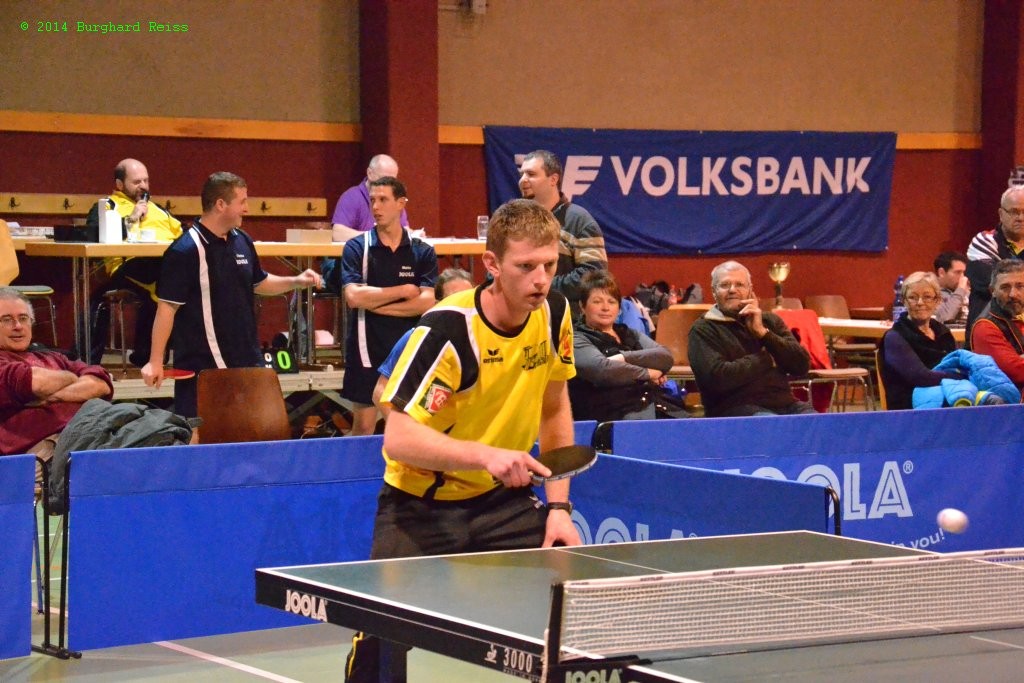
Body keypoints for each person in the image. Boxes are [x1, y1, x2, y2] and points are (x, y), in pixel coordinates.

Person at [345, 199, 580, 682]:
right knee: (380, 641)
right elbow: (398, 438)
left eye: (550, 265)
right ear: (492, 264)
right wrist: (485, 456)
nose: (541, 280)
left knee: (564, 625)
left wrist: (559, 506)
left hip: (503, 502)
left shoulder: (554, 311)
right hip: (420, 506)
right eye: (526, 267)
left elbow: (555, 409)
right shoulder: (448, 330)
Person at [140, 172, 321, 417]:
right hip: (204, 367)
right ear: (220, 204)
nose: (247, 209)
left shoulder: (242, 240)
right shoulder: (184, 251)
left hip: (248, 359)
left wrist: (296, 281)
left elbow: (258, 282)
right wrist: (155, 361)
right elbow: (167, 308)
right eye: (242, 201)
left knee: (253, 430)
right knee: (201, 435)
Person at [338, 177, 437, 435]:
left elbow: (427, 301)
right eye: (372, 200)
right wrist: (403, 291)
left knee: (412, 424)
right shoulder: (357, 248)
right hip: (366, 348)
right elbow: (354, 297)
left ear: (401, 203)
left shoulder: (422, 251)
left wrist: (377, 304)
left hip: (407, 348)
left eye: (383, 200)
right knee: (364, 427)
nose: (376, 207)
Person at [0, 288, 112, 479]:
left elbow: (101, 383)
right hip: (46, 449)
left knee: (158, 431)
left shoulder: (52, 357)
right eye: (6, 319)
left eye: (23, 318)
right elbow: (36, 383)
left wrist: (52, 396)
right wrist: (72, 378)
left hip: (95, 428)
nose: (18, 326)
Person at [84, 158, 183, 365]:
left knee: (191, 276)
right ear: (120, 184)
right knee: (169, 281)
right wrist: (132, 217)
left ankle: (153, 355)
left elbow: (183, 235)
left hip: (165, 264)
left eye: (146, 181)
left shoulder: (159, 209)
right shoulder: (107, 206)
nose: (143, 186)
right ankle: (152, 356)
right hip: (127, 266)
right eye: (137, 182)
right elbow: (93, 235)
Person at [688, 260, 814, 417]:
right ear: (714, 292)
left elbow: (801, 365)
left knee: (819, 425)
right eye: (725, 285)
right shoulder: (703, 329)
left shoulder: (769, 321)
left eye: (739, 285)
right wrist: (768, 358)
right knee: (773, 425)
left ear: (750, 290)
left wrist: (763, 333)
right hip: (733, 409)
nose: (732, 290)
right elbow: (718, 378)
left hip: (786, 404)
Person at [568, 270, 673, 421]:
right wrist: (649, 373)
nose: (605, 307)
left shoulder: (628, 333)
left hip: (651, 405)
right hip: (609, 413)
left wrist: (622, 358)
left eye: (611, 302)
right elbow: (602, 371)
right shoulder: (575, 337)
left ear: (619, 309)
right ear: (582, 307)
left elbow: (666, 357)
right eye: (597, 302)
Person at [370, 267, 475, 414]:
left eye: (468, 298)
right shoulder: (415, 338)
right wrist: (402, 425)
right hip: (425, 425)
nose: (462, 305)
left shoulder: (483, 339)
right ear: (438, 304)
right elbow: (380, 391)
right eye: (454, 299)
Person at [518, 150, 608, 306]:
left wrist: (540, 286)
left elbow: (594, 277)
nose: (522, 180)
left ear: (553, 179)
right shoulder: (515, 219)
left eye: (531, 174)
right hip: (520, 314)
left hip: (566, 315)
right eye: (522, 174)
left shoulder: (580, 221)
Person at [879, 272, 958, 410]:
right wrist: (960, 377)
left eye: (927, 297)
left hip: (948, 402)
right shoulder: (894, 337)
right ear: (904, 300)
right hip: (909, 410)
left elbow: (958, 363)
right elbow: (921, 377)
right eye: (913, 297)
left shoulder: (943, 332)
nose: (920, 303)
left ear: (937, 300)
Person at [965, 185, 1024, 331]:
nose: (1021, 218)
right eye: (1014, 212)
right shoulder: (984, 241)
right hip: (990, 330)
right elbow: (997, 288)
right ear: (1001, 214)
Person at [330, 154, 410, 243]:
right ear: (370, 173)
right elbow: (338, 234)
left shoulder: (394, 200)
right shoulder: (351, 197)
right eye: (383, 179)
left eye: (392, 181)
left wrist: (414, 234)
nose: (388, 185)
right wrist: (373, 237)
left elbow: (404, 230)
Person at [970, 259, 1024, 390]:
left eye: (1020, 286)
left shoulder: (1019, 314)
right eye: (1005, 287)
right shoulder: (985, 326)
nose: (1013, 294)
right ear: (992, 290)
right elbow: (1016, 371)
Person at [932, 251, 970, 326]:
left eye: (964, 273)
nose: (963, 277)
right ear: (941, 273)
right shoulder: (930, 294)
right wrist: (960, 290)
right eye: (958, 272)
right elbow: (945, 318)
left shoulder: (967, 291)